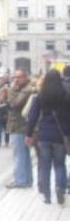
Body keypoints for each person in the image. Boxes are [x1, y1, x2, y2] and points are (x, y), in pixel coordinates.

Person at [26, 69, 70, 205]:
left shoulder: (41, 95)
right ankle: (60, 188)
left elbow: (32, 116)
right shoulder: (66, 96)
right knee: (59, 164)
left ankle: (46, 194)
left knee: (44, 165)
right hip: (60, 135)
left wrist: (28, 134)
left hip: (44, 134)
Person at [5, 68, 34, 189]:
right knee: (24, 154)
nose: (16, 80)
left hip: (20, 126)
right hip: (20, 125)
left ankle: (20, 180)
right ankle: (26, 179)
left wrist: (12, 89)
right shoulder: (23, 89)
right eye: (14, 77)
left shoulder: (26, 90)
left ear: (26, 77)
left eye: (19, 77)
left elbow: (14, 104)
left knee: (19, 154)